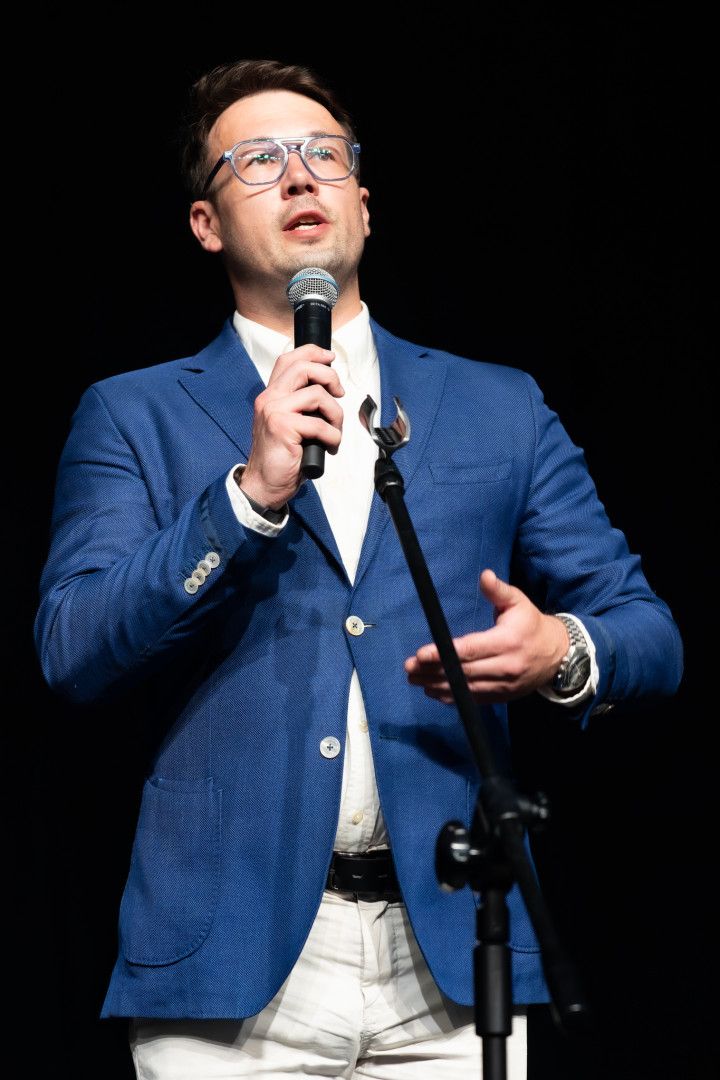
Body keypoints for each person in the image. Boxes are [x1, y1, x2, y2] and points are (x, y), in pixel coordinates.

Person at [34, 58, 683, 1079]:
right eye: (258, 161)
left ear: (364, 206)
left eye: (324, 156)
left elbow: (647, 632)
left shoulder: (499, 405)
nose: (299, 176)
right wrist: (244, 498)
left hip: (454, 958)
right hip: (229, 959)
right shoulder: (133, 413)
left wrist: (559, 651)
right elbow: (73, 648)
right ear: (206, 223)